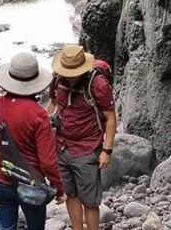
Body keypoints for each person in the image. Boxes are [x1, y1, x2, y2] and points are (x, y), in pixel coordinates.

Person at [0, 52, 66, 230]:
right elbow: (47, 162)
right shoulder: (38, 114)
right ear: (36, 83)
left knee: (7, 227)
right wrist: (59, 189)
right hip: (30, 182)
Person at [47, 44, 117, 230]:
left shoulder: (97, 84)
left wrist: (107, 150)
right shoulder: (58, 78)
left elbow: (110, 118)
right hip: (61, 145)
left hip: (87, 148)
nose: (69, 76)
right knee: (70, 194)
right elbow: (53, 103)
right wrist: (43, 128)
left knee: (90, 200)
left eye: (73, 72)